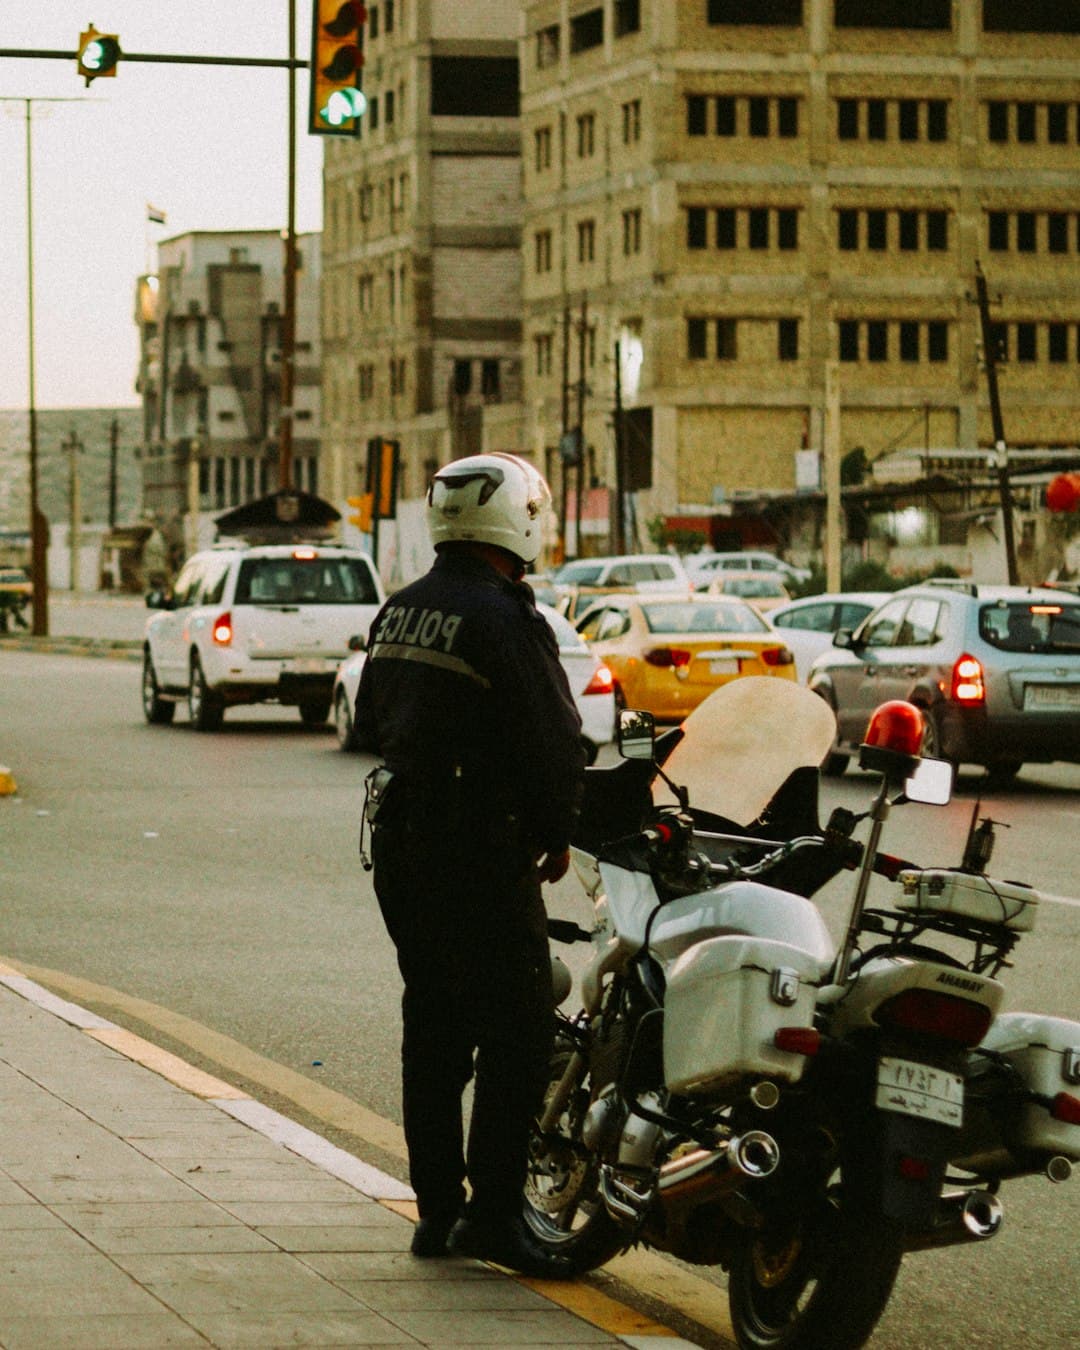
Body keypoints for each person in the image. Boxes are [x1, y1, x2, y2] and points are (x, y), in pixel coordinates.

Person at [352, 453, 585, 1278]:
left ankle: (436, 1214)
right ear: (516, 518)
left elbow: (370, 715)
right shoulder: (504, 618)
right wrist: (560, 828)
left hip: (406, 838)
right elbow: (555, 741)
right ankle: (492, 1216)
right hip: (481, 846)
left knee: (435, 1026)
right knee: (519, 1033)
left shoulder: (402, 610)